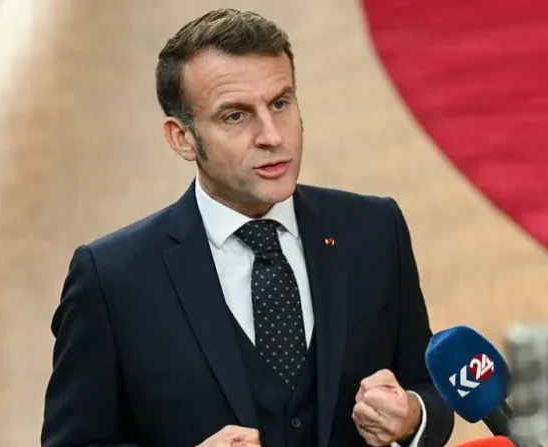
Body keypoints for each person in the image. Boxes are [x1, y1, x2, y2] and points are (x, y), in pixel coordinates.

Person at [40, 8, 454, 447]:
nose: (272, 135)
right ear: (182, 137)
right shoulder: (112, 278)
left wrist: (413, 417)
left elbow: (428, 387)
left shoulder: (373, 230)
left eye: (280, 103)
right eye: (235, 116)